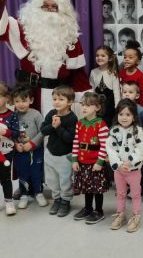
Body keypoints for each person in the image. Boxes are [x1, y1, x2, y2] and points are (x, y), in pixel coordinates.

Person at [0, 0, 91, 116]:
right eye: (45, 7)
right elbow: (1, 29)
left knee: (53, 134)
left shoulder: (70, 37)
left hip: (57, 98)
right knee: (25, 134)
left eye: (53, 7)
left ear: (62, 12)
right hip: (26, 96)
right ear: (35, 10)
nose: (49, 11)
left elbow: (78, 76)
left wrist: (85, 108)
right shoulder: (23, 29)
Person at [107, 99, 143, 233]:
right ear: (117, 115)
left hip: (133, 171)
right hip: (119, 171)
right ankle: (121, 214)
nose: (124, 117)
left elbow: (142, 148)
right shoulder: (114, 131)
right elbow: (110, 149)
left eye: (127, 114)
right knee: (120, 194)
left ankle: (136, 216)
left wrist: (130, 161)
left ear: (134, 116)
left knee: (135, 194)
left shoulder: (138, 131)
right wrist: (119, 164)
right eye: (121, 114)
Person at [72, 92, 109, 224]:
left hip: (95, 163)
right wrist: (74, 159)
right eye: (83, 105)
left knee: (97, 188)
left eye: (88, 105)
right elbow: (76, 141)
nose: (84, 108)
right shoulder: (80, 123)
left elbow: (105, 146)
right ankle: (88, 208)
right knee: (87, 187)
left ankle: (99, 211)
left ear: (97, 108)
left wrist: (99, 162)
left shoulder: (101, 124)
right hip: (83, 162)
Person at [40, 85, 77, 217]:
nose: (56, 102)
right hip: (50, 154)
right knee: (52, 180)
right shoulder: (51, 113)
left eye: (61, 99)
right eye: (54, 98)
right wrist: (52, 125)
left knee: (65, 180)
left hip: (64, 156)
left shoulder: (72, 118)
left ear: (70, 102)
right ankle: (57, 199)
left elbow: (69, 139)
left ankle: (65, 201)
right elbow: (43, 130)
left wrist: (58, 127)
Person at [11, 84, 47, 209]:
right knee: (22, 173)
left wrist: (32, 143)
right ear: (13, 102)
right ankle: (24, 194)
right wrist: (16, 144)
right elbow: (10, 133)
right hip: (20, 152)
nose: (21, 104)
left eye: (24, 101)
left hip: (36, 151)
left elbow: (43, 131)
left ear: (30, 100)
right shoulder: (13, 116)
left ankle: (39, 192)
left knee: (36, 172)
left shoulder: (36, 114)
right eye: (17, 101)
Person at [89, 45, 120, 127]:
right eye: (97, 55)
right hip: (97, 105)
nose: (99, 57)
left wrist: (118, 108)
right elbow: (91, 90)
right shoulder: (93, 72)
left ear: (110, 58)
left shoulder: (113, 72)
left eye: (103, 55)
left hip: (110, 106)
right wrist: (91, 104)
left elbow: (116, 92)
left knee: (108, 125)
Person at [0, 81, 19, 215]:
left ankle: (9, 201)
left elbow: (17, 133)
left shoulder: (12, 115)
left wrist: (6, 133)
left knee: (5, 177)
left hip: (6, 152)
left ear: (7, 98)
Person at [119, 40, 143, 107]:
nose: (126, 59)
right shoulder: (121, 73)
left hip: (135, 107)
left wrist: (141, 108)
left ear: (138, 61)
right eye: (125, 57)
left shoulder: (140, 76)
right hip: (122, 105)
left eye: (130, 57)